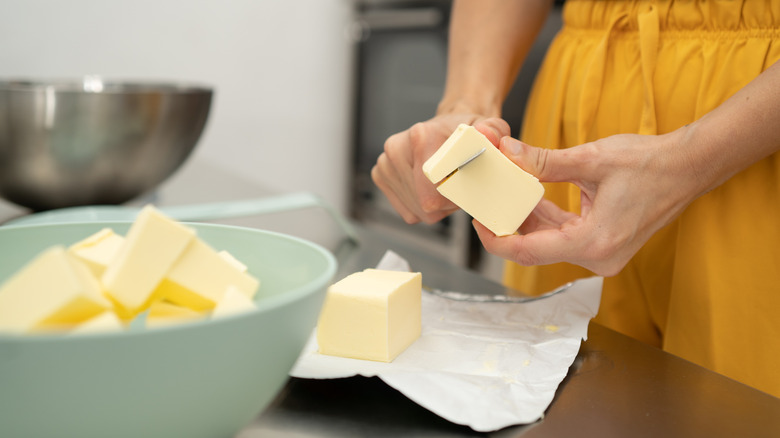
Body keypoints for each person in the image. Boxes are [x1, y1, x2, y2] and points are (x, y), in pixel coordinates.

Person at [371, 0, 780, 398]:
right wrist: (466, 105)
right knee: (560, 398)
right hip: (580, 127)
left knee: (730, 410)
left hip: (751, 140)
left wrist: (692, 158)